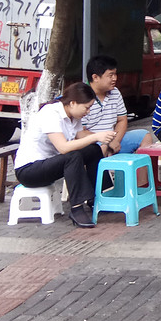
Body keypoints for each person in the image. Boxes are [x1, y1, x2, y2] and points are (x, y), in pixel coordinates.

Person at [14, 82, 114, 228]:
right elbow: (63, 148)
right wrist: (95, 137)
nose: (88, 112)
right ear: (73, 103)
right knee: (72, 156)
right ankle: (76, 208)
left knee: (92, 149)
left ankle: (99, 197)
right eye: (87, 108)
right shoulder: (51, 113)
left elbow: (82, 136)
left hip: (49, 164)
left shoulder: (73, 115)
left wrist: (105, 137)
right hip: (29, 170)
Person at [80, 55, 129, 153]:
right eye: (110, 75)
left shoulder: (115, 92)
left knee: (144, 136)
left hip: (113, 138)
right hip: (92, 141)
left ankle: (124, 168)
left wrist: (115, 141)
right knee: (101, 147)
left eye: (115, 74)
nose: (115, 78)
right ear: (95, 77)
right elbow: (80, 132)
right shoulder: (82, 95)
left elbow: (122, 120)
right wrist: (106, 141)